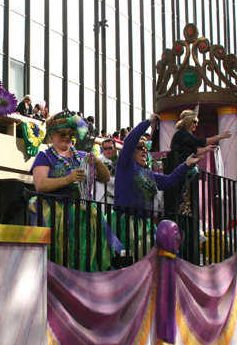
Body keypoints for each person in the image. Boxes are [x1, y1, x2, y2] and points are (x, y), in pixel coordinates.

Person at [30, 109, 117, 270]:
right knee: (60, 257)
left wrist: (96, 162)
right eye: (62, 134)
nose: (68, 137)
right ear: (51, 135)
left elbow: (104, 178)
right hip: (57, 215)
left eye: (71, 133)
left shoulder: (81, 155)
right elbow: (40, 185)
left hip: (84, 215)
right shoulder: (44, 156)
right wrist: (67, 179)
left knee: (85, 257)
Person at [113, 114, 203, 257]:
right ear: (131, 151)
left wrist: (186, 165)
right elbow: (130, 140)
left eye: (146, 148)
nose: (144, 151)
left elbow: (169, 181)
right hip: (125, 223)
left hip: (145, 225)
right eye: (140, 148)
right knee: (127, 262)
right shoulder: (125, 165)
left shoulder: (149, 174)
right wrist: (148, 122)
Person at [97, 138, 117, 203]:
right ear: (102, 149)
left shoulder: (119, 160)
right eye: (105, 148)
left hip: (115, 196)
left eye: (110, 148)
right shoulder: (98, 160)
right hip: (102, 196)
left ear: (114, 149)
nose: (108, 150)